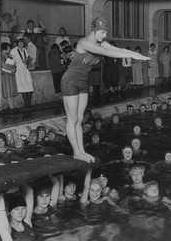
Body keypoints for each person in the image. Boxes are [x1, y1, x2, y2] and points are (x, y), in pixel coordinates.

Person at [60, 17, 149, 163]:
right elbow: (109, 54)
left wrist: (137, 55)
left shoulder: (102, 42)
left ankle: (82, 151)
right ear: (94, 31)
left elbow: (117, 50)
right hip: (70, 81)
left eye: (105, 32)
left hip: (83, 82)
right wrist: (131, 54)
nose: (104, 35)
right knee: (73, 118)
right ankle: (76, 152)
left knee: (80, 119)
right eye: (102, 32)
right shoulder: (84, 43)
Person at [10, 38, 34, 108]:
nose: (21, 44)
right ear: (17, 44)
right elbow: (9, 58)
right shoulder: (14, 50)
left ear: (24, 44)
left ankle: (29, 103)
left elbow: (30, 58)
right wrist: (12, 66)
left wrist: (27, 61)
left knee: (29, 86)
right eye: (19, 43)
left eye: (22, 43)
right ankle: (26, 104)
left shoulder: (24, 50)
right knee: (23, 88)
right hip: (19, 70)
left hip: (25, 70)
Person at [0, 42, 18, 113]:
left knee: (11, 92)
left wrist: (13, 69)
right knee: (8, 92)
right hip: (5, 75)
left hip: (11, 75)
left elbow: (14, 65)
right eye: (7, 48)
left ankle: (12, 106)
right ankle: (11, 108)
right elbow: (3, 66)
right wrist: (11, 70)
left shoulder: (9, 56)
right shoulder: (1, 57)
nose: (9, 49)